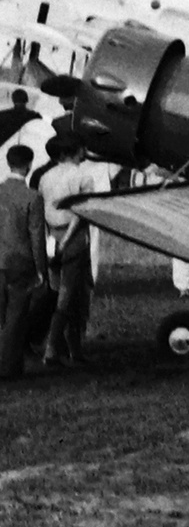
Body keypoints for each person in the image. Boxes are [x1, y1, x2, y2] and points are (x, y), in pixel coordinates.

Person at [37, 134, 98, 366]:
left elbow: (41, 210)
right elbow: (81, 213)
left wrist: (50, 240)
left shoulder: (45, 177)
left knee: (57, 292)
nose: (82, 153)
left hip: (51, 233)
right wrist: (66, 241)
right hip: (73, 238)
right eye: (79, 150)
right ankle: (54, 348)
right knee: (72, 294)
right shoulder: (82, 176)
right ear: (69, 153)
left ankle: (68, 348)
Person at [0, 146, 47, 380]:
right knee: (15, 318)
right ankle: (9, 368)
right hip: (20, 263)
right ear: (29, 165)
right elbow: (36, 236)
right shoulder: (33, 197)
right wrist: (41, 269)